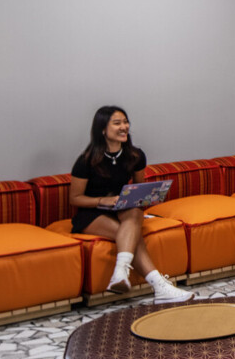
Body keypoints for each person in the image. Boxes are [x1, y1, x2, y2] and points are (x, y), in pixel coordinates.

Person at [68, 106, 194, 303]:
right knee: (132, 236)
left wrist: (148, 197)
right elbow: (75, 198)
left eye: (126, 122)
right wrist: (102, 200)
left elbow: (138, 190)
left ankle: (121, 273)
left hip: (121, 209)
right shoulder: (86, 161)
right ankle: (159, 286)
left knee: (134, 212)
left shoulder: (135, 156)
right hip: (91, 213)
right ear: (102, 129)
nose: (124, 127)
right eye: (117, 123)